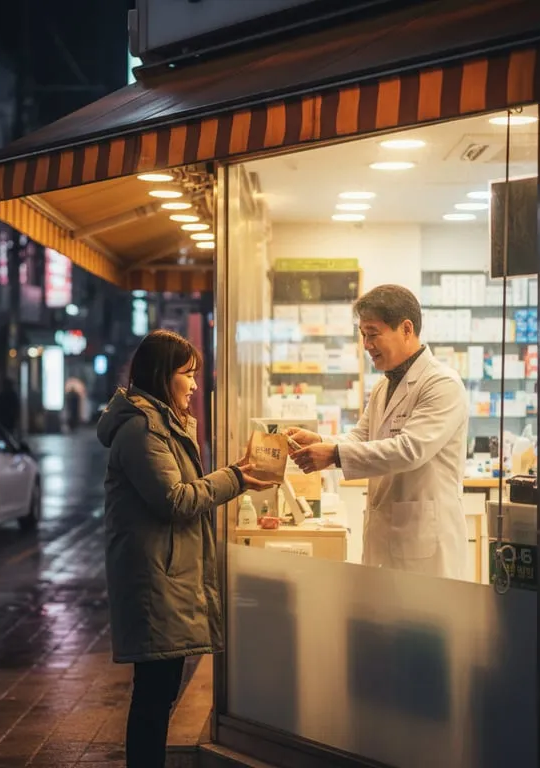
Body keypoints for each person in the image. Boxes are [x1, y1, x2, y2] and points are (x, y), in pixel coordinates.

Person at [96, 329, 274, 768]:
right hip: (154, 579)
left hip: (164, 574)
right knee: (154, 697)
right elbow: (175, 499)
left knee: (159, 692)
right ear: (162, 376)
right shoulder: (142, 430)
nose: (195, 384)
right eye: (187, 374)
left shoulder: (162, 423)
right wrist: (234, 477)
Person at [288, 284, 469, 580]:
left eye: (373, 334)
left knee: (423, 624)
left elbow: (410, 449)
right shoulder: (385, 385)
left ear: (406, 329)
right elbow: (362, 437)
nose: (366, 345)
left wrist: (333, 454)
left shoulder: (442, 384)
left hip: (426, 545)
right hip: (387, 537)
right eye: (362, 336)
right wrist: (321, 441)